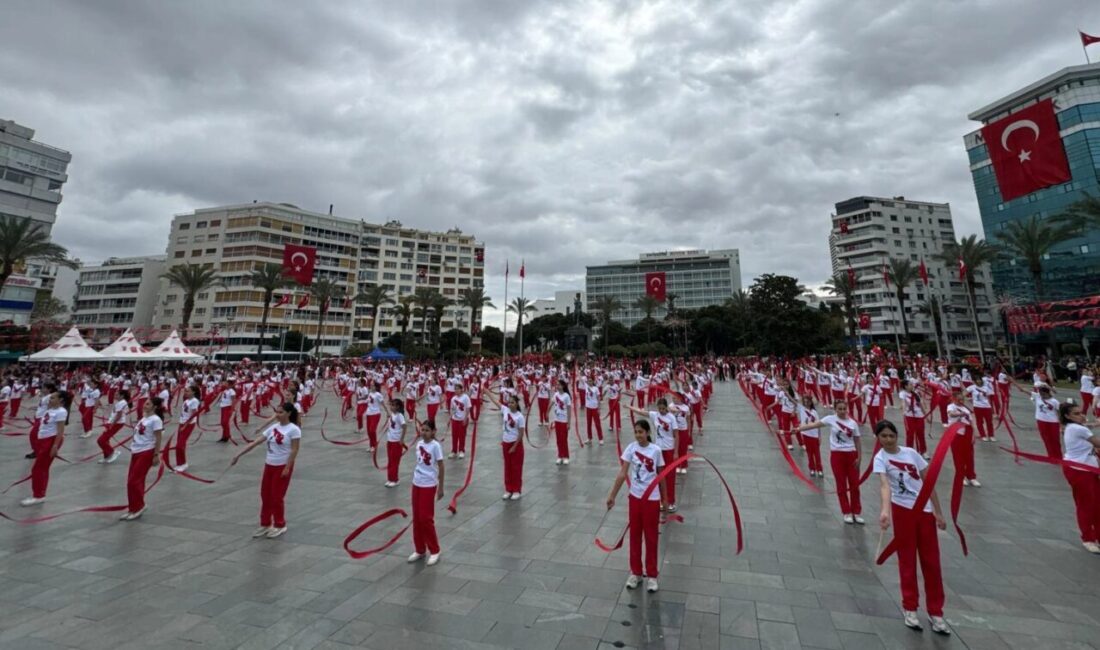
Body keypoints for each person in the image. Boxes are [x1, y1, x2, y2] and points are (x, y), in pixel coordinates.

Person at [873, 420, 951, 635]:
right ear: (878, 438)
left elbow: (928, 483)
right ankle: (910, 608)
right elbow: (884, 485)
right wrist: (885, 511)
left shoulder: (911, 453)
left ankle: (936, 612)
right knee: (907, 562)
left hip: (924, 512)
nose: (888, 440)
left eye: (891, 435)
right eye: (883, 436)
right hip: (902, 512)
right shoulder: (880, 459)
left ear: (896, 436)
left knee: (931, 563)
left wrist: (938, 512)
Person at [606, 419, 667, 593]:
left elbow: (661, 476)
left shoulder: (655, 450)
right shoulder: (631, 448)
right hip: (635, 498)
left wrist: (665, 499)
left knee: (651, 537)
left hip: (652, 500)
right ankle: (636, 573)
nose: (638, 435)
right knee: (634, 535)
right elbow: (622, 473)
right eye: (636, 432)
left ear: (648, 432)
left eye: (641, 432)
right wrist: (612, 495)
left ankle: (652, 575)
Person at [232, 402, 302, 539]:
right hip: (269, 464)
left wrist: (288, 467)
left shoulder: (294, 429)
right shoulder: (273, 427)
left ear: (288, 413)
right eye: (277, 411)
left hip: (282, 465)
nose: (278, 415)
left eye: (281, 412)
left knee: (277, 496)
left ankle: (280, 524)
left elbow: (295, 449)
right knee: (265, 495)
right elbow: (256, 442)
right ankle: (265, 523)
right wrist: (238, 455)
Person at [792, 400, 864, 523]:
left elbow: (857, 441)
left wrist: (859, 457)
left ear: (847, 409)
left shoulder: (853, 423)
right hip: (837, 455)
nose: (842, 411)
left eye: (844, 409)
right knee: (841, 484)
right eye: (839, 409)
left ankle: (856, 512)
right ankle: (846, 512)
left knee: (854, 485)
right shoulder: (830, 419)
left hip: (852, 455)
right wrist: (798, 428)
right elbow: (814, 425)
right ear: (835, 409)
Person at [1058, 402, 1100, 554]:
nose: (1081, 415)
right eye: (1076, 413)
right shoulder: (1076, 428)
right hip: (1079, 471)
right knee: (1086, 504)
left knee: (1097, 504)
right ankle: (1088, 538)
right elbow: (1097, 443)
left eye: (1081, 412)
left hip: (1089, 469)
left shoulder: (1074, 427)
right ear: (1067, 416)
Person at [625, 397, 679, 512]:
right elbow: (641, 412)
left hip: (669, 449)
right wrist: (629, 407)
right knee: (658, 476)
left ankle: (671, 502)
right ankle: (661, 500)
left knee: (670, 477)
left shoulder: (671, 418)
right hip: (658, 450)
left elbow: (676, 435)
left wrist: (676, 452)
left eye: (663, 409)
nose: (662, 411)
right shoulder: (655, 415)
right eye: (659, 409)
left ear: (667, 408)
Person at [21, 390, 70, 507]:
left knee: (38, 469)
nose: (50, 399)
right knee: (42, 468)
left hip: (50, 441)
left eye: (53, 398)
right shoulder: (51, 409)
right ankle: (40, 494)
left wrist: (55, 446)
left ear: (61, 400)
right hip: (43, 440)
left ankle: (38, 496)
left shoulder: (61, 412)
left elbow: (60, 431)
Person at [121, 397, 164, 520]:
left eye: (148, 404)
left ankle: (138, 507)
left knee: (134, 481)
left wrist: (156, 455)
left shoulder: (156, 420)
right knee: (132, 481)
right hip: (136, 451)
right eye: (145, 403)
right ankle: (133, 507)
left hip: (146, 452)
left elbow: (158, 438)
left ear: (154, 407)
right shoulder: (144, 418)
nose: (144, 405)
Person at [409, 419, 444, 566]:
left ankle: (435, 550)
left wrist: (441, 487)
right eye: (422, 430)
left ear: (434, 431)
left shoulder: (435, 446)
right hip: (416, 483)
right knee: (416, 518)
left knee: (426, 518)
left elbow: (441, 466)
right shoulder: (419, 444)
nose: (424, 433)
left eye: (427, 430)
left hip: (429, 485)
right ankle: (420, 548)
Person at [946, 388, 979, 487]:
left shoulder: (966, 409)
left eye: (962, 399)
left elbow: (972, 422)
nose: (961, 401)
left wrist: (974, 434)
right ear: (954, 399)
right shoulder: (951, 406)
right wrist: (960, 414)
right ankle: (961, 477)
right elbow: (951, 414)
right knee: (958, 457)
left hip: (968, 433)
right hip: (956, 434)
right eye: (959, 399)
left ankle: (971, 477)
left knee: (969, 456)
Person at [97, 389, 131, 464]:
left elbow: (119, 416)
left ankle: (113, 451)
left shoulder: (121, 403)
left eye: (117, 394)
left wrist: (111, 425)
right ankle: (107, 456)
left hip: (117, 423)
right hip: (113, 422)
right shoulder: (120, 402)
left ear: (122, 396)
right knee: (105, 440)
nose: (115, 395)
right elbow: (115, 414)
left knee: (101, 440)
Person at [173, 385, 201, 473]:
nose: (186, 393)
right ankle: (179, 463)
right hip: (182, 423)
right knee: (178, 444)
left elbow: (194, 414)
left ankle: (184, 463)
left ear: (193, 392)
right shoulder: (186, 400)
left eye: (188, 391)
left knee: (180, 445)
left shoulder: (194, 401)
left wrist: (185, 425)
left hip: (188, 424)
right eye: (185, 391)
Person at [1029, 383, 1062, 458]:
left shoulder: (1055, 401)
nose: (1041, 395)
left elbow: (1059, 413)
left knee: (1055, 440)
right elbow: (1022, 390)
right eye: (1040, 393)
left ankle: (1059, 457)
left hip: (1053, 422)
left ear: (1047, 393)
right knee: (1046, 439)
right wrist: (1012, 380)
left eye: (1043, 394)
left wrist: (1062, 425)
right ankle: (1051, 456)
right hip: (1041, 421)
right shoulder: (1037, 396)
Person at [381, 398, 408, 488]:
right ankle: (390, 478)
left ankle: (395, 479)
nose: (391, 407)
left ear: (397, 407)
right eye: (391, 405)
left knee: (395, 462)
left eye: (393, 405)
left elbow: (404, 427)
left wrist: (402, 439)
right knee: (390, 461)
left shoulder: (400, 416)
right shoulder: (392, 415)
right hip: (390, 441)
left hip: (397, 442)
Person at [797, 393, 823, 477]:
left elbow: (818, 424)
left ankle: (819, 469)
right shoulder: (801, 409)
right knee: (809, 453)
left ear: (810, 402)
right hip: (806, 434)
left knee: (817, 454)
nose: (806, 402)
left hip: (814, 435)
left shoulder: (814, 412)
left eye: (808, 401)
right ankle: (812, 468)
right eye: (805, 401)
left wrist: (820, 436)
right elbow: (793, 400)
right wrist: (786, 392)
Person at [446, 383, 473, 459]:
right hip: (455, 419)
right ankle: (454, 451)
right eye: (455, 389)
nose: (456, 390)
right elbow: (452, 409)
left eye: (458, 389)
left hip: (462, 420)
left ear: (461, 389)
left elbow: (468, 409)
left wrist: (465, 419)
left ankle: (461, 451)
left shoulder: (465, 397)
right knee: (454, 435)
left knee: (462, 436)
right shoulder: (453, 399)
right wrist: (449, 418)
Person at [551, 379, 573, 465]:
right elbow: (552, 402)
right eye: (557, 385)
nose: (557, 386)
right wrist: (547, 412)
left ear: (563, 386)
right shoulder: (555, 394)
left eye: (559, 385)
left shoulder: (566, 396)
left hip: (564, 421)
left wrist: (569, 422)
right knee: (558, 439)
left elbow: (569, 409)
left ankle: (566, 456)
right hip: (557, 420)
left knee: (564, 439)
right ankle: (560, 456)